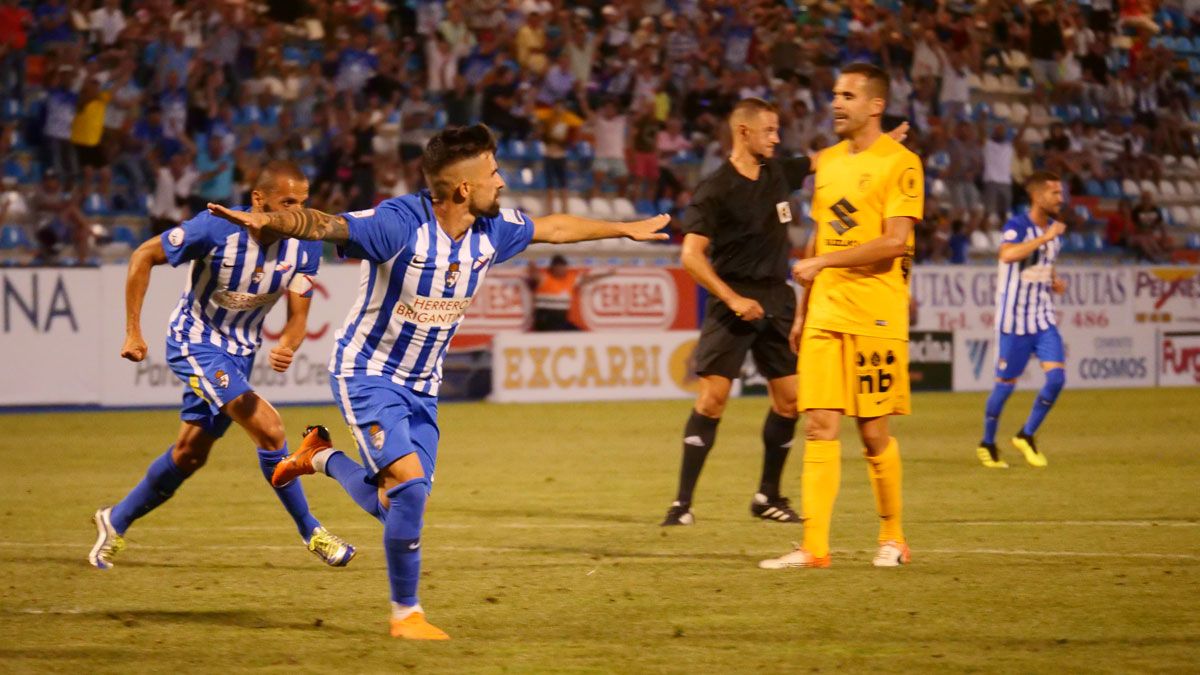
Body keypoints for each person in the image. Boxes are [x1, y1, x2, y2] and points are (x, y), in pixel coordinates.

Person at [206, 124, 669, 640]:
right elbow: (325, 225)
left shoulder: (492, 230)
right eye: (493, 173)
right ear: (464, 189)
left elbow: (553, 229)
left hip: (424, 384)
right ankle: (406, 616)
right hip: (369, 373)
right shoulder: (399, 224)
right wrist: (272, 220)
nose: (503, 182)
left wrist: (623, 229)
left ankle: (318, 456)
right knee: (407, 489)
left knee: (397, 503)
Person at [87, 161, 356, 571]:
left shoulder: (304, 244)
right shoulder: (214, 229)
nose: (296, 212)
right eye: (287, 202)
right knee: (270, 429)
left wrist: (288, 342)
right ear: (258, 200)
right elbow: (144, 255)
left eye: (302, 202)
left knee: (190, 454)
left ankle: (115, 520)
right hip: (195, 343)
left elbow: (299, 316)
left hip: (239, 354)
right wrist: (133, 332)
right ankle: (313, 532)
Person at [759, 62, 924, 570]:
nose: (836, 103)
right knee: (818, 426)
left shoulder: (902, 163)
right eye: (834, 94)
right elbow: (823, 235)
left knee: (873, 432)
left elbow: (894, 243)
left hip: (875, 312)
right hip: (827, 309)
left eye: (848, 95)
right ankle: (814, 547)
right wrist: (803, 309)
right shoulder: (827, 162)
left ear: (875, 104)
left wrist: (822, 262)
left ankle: (893, 538)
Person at [659, 98, 811, 527]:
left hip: (777, 299)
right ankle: (681, 505)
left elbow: (824, 161)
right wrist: (731, 299)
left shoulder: (779, 172)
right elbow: (691, 256)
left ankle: (768, 495)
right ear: (743, 132)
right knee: (712, 399)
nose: (777, 139)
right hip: (734, 298)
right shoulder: (716, 188)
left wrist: (879, 147)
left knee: (791, 401)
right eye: (770, 131)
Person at [976, 171, 1068, 470]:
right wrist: (1044, 237)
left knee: (1056, 379)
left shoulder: (1054, 230)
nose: (1060, 198)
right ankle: (987, 443)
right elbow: (1007, 255)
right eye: (1055, 193)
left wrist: (1054, 279)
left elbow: (1044, 260)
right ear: (1037, 196)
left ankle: (1026, 435)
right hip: (1014, 323)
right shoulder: (1018, 226)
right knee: (1005, 386)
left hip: (1042, 319)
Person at [526, 254, 612, 331]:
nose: (561, 270)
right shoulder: (545, 278)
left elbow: (588, 279)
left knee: (577, 333)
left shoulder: (570, 279)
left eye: (563, 267)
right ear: (553, 268)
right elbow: (534, 275)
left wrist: (606, 274)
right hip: (545, 319)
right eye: (559, 267)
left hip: (561, 320)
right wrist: (532, 264)